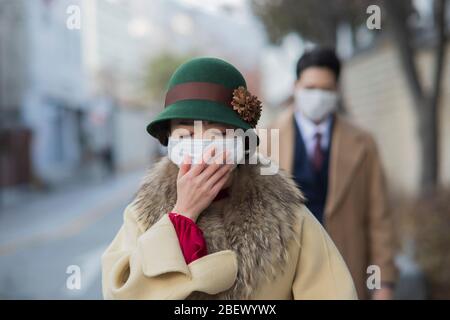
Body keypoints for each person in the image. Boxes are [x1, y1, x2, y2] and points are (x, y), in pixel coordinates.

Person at [101, 57, 357, 300]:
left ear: (243, 142)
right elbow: (120, 291)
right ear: (168, 139)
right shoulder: (142, 214)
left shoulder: (288, 215)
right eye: (187, 134)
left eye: (218, 133)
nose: (203, 146)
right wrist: (182, 215)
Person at [261, 48, 397, 299]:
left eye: (326, 89)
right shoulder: (266, 141)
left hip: (345, 267)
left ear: (337, 90)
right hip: (283, 274)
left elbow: (379, 217)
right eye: (310, 88)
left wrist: (384, 283)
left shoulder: (363, 143)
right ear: (296, 87)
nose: (318, 96)